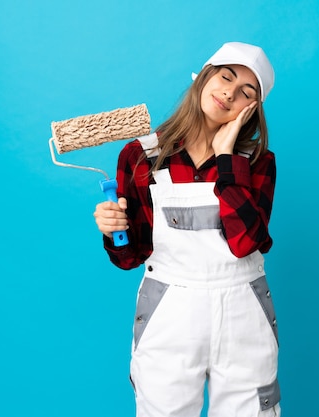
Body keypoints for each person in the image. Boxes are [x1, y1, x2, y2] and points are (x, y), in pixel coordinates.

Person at [93, 41, 280, 417]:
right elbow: (131, 257)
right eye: (226, 77)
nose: (229, 92)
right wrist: (113, 229)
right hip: (169, 312)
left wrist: (227, 159)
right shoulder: (141, 156)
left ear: (252, 110)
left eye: (246, 91)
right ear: (204, 77)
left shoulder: (257, 161)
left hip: (243, 312)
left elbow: (245, 243)